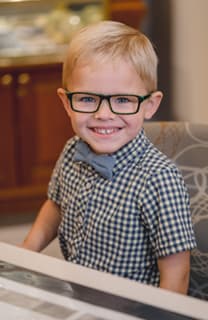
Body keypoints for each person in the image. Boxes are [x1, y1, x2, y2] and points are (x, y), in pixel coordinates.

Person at [21, 20, 196, 294]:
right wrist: (25, 254)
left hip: (133, 306)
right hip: (78, 290)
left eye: (123, 100)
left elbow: (177, 273)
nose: (104, 114)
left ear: (149, 105)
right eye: (88, 99)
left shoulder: (159, 179)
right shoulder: (72, 151)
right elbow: (55, 206)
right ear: (66, 102)